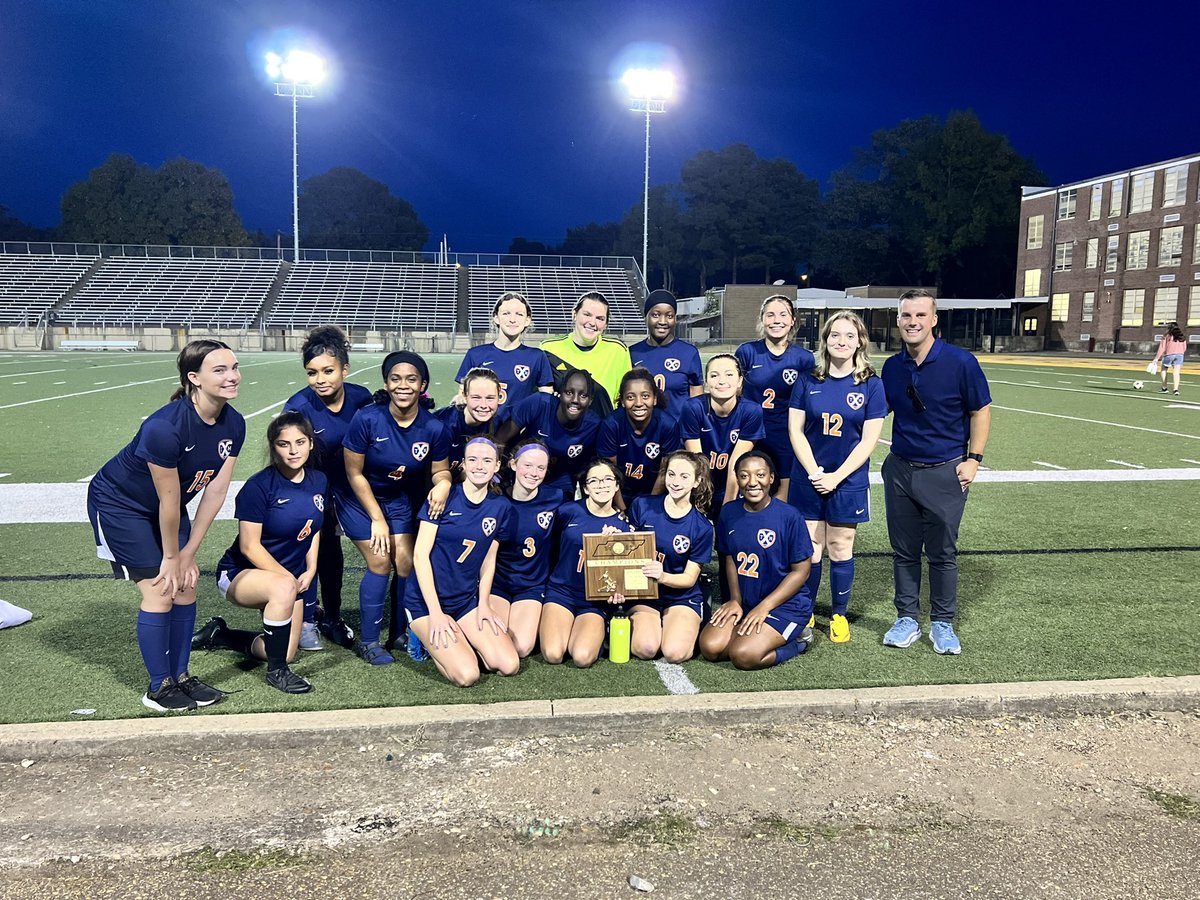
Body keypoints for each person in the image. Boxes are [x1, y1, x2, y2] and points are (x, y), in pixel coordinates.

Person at [86, 340, 244, 712]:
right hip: (120, 505)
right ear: (194, 378)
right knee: (161, 589)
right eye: (220, 370)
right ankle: (159, 687)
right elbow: (169, 501)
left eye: (235, 367)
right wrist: (172, 558)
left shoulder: (234, 423)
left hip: (165, 508)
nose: (232, 376)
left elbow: (215, 491)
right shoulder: (164, 427)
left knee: (186, 586)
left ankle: (181, 675)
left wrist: (189, 553)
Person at [880, 289, 991, 655]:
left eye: (920, 315)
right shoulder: (892, 366)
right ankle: (907, 618)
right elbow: (877, 411)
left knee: (942, 553)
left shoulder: (960, 362)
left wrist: (974, 459)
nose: (912, 322)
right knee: (904, 551)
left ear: (934, 319)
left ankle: (942, 622)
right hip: (900, 469)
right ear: (898, 320)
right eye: (906, 315)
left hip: (945, 470)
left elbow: (980, 410)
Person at [191, 413, 324, 694]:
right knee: (283, 594)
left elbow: (313, 528)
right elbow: (249, 546)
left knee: (285, 651)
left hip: (287, 579)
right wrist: (288, 579)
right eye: (284, 444)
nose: (293, 450)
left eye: (300, 442)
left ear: (311, 444)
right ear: (273, 447)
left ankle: (221, 635)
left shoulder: (319, 480)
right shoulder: (259, 486)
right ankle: (278, 673)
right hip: (239, 573)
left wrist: (311, 568)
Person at [341, 351, 451, 665]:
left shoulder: (433, 427)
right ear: (386, 383)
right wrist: (377, 518)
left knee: (405, 563)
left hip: (398, 499)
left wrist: (443, 483)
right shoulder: (367, 419)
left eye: (411, 379)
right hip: (359, 499)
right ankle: (369, 641)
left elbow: (440, 470)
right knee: (380, 560)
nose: (403, 385)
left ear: (423, 385)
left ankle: (400, 634)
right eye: (395, 379)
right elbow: (354, 473)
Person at [787, 310, 886, 643]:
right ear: (825, 340)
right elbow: (795, 430)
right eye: (835, 335)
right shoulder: (808, 380)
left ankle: (839, 614)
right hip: (809, 477)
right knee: (812, 548)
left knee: (840, 547)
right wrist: (815, 472)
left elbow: (869, 441)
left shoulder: (871, 384)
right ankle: (807, 610)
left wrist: (837, 476)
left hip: (848, 480)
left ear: (860, 342)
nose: (841, 341)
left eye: (849, 336)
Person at [284, 325, 374, 651]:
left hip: (352, 487)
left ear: (344, 370)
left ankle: (333, 616)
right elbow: (289, 459)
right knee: (316, 551)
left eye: (328, 371)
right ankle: (309, 617)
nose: (320, 379)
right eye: (312, 372)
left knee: (360, 552)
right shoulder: (298, 407)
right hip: (312, 489)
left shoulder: (362, 398)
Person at [404, 437, 520, 686]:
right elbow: (420, 556)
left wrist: (484, 604)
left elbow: (488, 560)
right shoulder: (442, 498)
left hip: (464, 601)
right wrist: (436, 613)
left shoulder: (500, 507)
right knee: (467, 675)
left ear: (497, 466)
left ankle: (461, 641)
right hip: (426, 604)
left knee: (509, 665)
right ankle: (421, 635)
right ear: (464, 464)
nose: (479, 466)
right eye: (473, 459)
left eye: (487, 460)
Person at [698, 451, 814, 670]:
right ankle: (751, 631)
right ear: (737, 479)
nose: (752, 482)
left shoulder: (790, 516)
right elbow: (729, 557)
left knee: (743, 655)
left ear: (771, 478)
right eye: (744, 476)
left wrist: (764, 607)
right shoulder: (729, 512)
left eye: (760, 475)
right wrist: (735, 600)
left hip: (785, 606)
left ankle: (799, 641)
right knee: (711, 648)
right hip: (748, 603)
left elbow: (801, 571)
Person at [540, 459, 635, 667]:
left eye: (608, 479)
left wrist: (619, 592)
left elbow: (625, 576)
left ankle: (598, 631)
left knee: (582, 657)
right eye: (594, 481)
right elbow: (550, 547)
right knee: (553, 654)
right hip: (562, 592)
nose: (601, 485)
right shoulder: (567, 511)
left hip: (595, 601)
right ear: (585, 488)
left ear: (616, 485)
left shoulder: (624, 528)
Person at [628, 451, 714, 663]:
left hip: (681, 596)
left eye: (684, 477)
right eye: (671, 474)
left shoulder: (702, 527)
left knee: (674, 653)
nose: (676, 482)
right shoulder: (642, 506)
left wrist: (662, 576)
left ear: (697, 481)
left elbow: (689, 578)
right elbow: (626, 549)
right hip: (645, 593)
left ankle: (688, 620)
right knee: (646, 649)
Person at [735, 294, 816, 502]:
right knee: (747, 489)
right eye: (770, 315)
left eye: (783, 314)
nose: (776, 320)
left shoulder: (804, 358)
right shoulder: (747, 352)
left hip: (786, 435)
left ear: (793, 320)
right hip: (750, 434)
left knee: (782, 496)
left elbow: (809, 402)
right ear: (762, 319)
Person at [489, 440, 563, 658]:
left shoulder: (556, 498)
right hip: (498, 584)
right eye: (527, 465)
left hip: (532, 585)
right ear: (513, 464)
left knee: (521, 648)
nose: (534, 473)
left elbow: (580, 521)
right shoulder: (495, 500)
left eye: (541, 468)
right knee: (495, 643)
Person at [679, 354, 765, 519]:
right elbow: (697, 462)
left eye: (729, 374)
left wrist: (727, 510)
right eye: (714, 375)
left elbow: (736, 464)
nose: (721, 381)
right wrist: (701, 505)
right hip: (702, 482)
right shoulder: (693, 408)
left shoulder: (751, 411)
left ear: (740, 381)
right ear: (706, 382)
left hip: (732, 483)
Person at [496, 369, 603, 496]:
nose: (575, 399)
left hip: (559, 479)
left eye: (583, 395)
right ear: (560, 393)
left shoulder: (594, 425)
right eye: (569, 393)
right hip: (523, 472)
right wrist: (496, 474)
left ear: (590, 400)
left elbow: (588, 466)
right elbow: (499, 440)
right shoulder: (539, 403)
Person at [456, 291, 554, 409]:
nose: (512, 319)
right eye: (506, 313)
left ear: (527, 320)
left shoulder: (537, 356)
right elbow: (462, 395)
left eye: (519, 314)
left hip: (520, 421)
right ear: (496, 318)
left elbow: (546, 399)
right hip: (482, 420)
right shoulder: (475, 354)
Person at [540, 291, 632, 416]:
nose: (592, 323)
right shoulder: (548, 349)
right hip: (561, 426)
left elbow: (625, 398)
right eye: (587, 314)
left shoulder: (618, 351)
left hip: (603, 426)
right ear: (574, 314)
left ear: (606, 324)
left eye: (600, 318)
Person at [598, 367, 680, 504]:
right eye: (630, 397)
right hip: (618, 493)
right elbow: (609, 473)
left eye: (645, 396)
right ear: (622, 401)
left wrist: (649, 507)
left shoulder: (668, 425)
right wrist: (621, 509)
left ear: (654, 399)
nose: (638, 403)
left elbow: (664, 471)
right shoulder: (611, 425)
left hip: (654, 493)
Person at [629, 289, 704, 411]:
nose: (662, 321)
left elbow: (697, 405)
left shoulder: (689, 353)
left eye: (669, 316)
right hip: (642, 423)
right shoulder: (632, 353)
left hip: (678, 423)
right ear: (646, 317)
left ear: (675, 319)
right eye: (656, 315)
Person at [436, 367, 505, 472]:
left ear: (499, 397)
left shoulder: (498, 423)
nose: (483, 405)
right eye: (476, 398)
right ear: (464, 396)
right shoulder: (444, 424)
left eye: (490, 398)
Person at [1153, 322, 1187, 396]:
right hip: (1180, 355)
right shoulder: (1182, 336)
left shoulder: (1167, 335)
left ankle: (1164, 388)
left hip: (1169, 354)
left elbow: (1162, 347)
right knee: (1176, 372)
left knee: (1164, 369)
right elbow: (1184, 348)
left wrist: (1156, 358)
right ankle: (1176, 390)